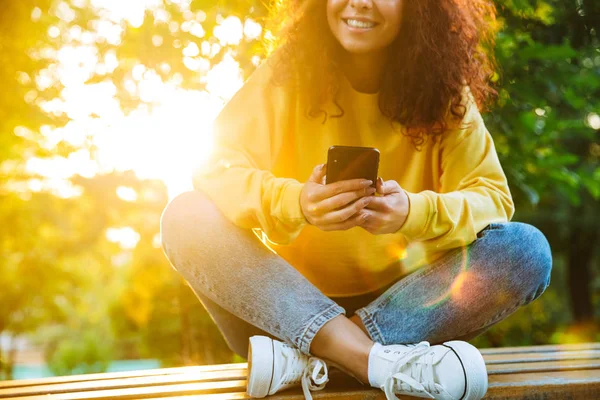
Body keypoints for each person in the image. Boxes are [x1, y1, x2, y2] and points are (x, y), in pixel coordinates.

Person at [160, 0, 553, 398]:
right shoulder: (287, 71)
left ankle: (317, 359)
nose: (359, 2)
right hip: (280, 307)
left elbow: (492, 199)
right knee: (185, 216)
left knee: (526, 250)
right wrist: (296, 202)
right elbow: (213, 166)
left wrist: (413, 213)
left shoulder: (446, 90)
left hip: (408, 310)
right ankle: (376, 361)